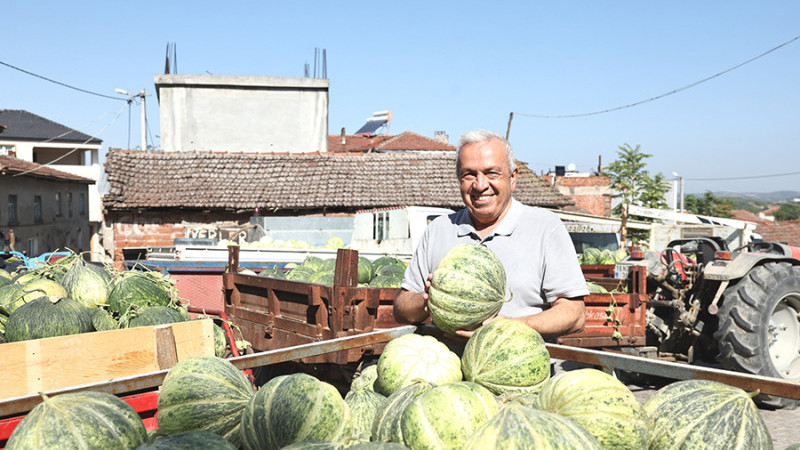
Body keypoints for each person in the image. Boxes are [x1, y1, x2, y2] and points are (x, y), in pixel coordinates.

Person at [394, 129, 588, 339]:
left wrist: (510, 327)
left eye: (491, 173)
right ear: (459, 180)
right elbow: (401, 308)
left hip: (520, 367)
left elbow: (574, 314)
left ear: (512, 178)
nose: (480, 185)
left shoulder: (545, 228)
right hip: (452, 369)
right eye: (469, 174)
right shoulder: (438, 230)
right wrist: (428, 298)